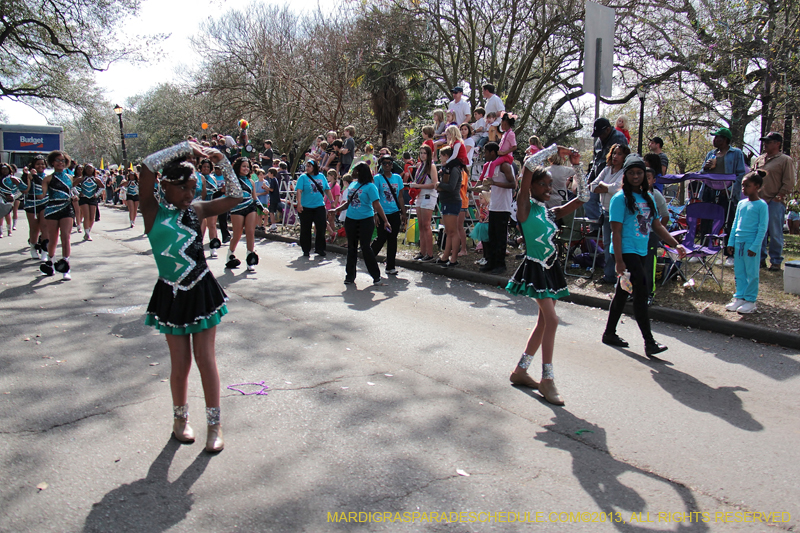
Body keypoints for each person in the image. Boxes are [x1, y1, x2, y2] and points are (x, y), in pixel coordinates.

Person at [139, 140, 243, 453]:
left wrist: (223, 160)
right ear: (164, 186)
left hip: (201, 290)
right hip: (171, 294)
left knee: (205, 359)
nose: (189, 194)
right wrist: (185, 146)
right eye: (183, 187)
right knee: (180, 363)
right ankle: (180, 420)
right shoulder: (151, 211)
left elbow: (236, 197)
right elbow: (146, 165)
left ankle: (215, 424)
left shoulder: (197, 210)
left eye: (193, 186)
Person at [506, 155, 587, 406]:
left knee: (543, 322)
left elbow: (583, 197)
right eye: (543, 185)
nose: (548, 189)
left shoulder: (551, 212)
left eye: (550, 185)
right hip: (535, 270)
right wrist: (556, 148)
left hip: (551, 270)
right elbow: (529, 163)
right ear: (531, 186)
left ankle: (520, 371)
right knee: (551, 320)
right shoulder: (524, 208)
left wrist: (578, 166)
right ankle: (547, 379)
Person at [601, 154, 687, 357]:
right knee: (641, 291)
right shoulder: (619, 199)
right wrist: (619, 261)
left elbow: (657, 226)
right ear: (626, 175)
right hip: (625, 251)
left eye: (639, 173)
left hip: (641, 250)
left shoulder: (648, 198)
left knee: (623, 292)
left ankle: (609, 333)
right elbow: (616, 231)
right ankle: (649, 342)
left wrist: (676, 245)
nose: (636, 176)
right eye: (631, 173)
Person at [330, 162, 392, 284]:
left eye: (354, 170)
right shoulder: (353, 184)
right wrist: (336, 210)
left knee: (365, 248)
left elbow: (376, 204)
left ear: (360, 172)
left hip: (366, 220)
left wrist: (385, 221)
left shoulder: (370, 187)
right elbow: (348, 203)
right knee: (351, 248)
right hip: (351, 220)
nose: (351, 172)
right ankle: (350, 276)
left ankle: (376, 277)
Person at [700, 127, 747, 266]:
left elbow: (740, 174)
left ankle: (729, 254)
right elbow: (702, 172)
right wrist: (707, 168)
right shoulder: (711, 154)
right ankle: (703, 250)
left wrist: (731, 189)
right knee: (706, 220)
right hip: (710, 190)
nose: (714, 140)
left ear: (725, 139)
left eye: (717, 137)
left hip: (727, 193)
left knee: (728, 222)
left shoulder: (736, 153)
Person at [750, 132, 796, 271]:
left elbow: (789, 181)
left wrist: (779, 196)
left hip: (774, 201)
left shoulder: (784, 160)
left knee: (775, 232)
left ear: (777, 143)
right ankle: (760, 259)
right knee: (759, 232)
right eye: (765, 142)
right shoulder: (759, 159)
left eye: (769, 142)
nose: (765, 144)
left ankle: (776, 261)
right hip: (759, 201)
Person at [725, 171, 769, 314]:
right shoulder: (741, 203)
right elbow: (735, 224)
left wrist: (755, 246)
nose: (743, 189)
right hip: (739, 242)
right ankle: (740, 296)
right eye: (743, 186)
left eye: (747, 186)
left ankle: (751, 300)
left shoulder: (762, 205)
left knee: (752, 272)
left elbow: (762, 228)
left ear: (757, 186)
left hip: (751, 243)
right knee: (739, 271)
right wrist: (731, 242)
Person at [590, 143, 630, 284]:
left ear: (625, 157)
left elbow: (617, 189)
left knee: (619, 243)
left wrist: (605, 186)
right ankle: (609, 275)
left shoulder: (625, 171)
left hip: (619, 213)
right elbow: (593, 186)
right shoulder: (607, 170)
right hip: (606, 211)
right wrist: (607, 188)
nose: (615, 156)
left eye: (619, 154)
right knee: (607, 243)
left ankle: (622, 275)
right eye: (614, 153)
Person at [38, 151, 81, 280]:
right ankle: (51, 263)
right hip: (52, 209)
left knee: (66, 237)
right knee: (53, 238)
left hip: (66, 208)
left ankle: (65, 266)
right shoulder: (48, 179)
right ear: (52, 162)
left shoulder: (69, 178)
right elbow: (41, 195)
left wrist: (75, 197)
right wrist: (31, 181)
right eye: (57, 160)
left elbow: (74, 192)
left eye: (62, 160)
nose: (60, 163)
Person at [479, 142, 516, 274]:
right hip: (494, 206)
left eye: (486, 152)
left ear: (493, 152)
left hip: (503, 207)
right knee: (492, 237)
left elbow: (513, 184)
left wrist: (494, 183)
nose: (485, 155)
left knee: (500, 237)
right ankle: (491, 262)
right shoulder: (491, 166)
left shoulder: (504, 165)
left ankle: (500, 265)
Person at [585, 117, 629, 222]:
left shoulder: (618, 138)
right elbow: (595, 161)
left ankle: (601, 223)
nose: (599, 137)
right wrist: (590, 178)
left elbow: (616, 188)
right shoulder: (599, 142)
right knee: (587, 197)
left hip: (613, 178)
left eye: (601, 133)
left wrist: (604, 187)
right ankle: (596, 225)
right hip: (602, 175)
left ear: (608, 129)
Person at [371, 155, 406, 275]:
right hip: (382, 212)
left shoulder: (397, 178)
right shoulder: (377, 178)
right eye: (384, 163)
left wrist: (403, 213)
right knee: (381, 238)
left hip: (394, 212)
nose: (387, 165)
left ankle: (390, 266)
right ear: (381, 165)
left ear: (392, 165)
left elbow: (400, 197)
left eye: (389, 163)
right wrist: (375, 213)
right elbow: (374, 197)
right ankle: (369, 257)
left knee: (393, 239)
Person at [226, 157, 259, 272]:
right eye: (243, 166)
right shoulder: (233, 180)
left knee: (250, 232)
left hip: (250, 208)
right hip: (237, 209)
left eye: (248, 167)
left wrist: (261, 207)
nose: (246, 168)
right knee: (237, 235)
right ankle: (230, 255)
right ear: (238, 167)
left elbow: (254, 197)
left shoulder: (251, 182)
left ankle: (250, 259)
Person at [296, 159, 333, 258]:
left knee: (321, 227)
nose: (307, 168)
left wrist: (332, 202)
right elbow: (299, 191)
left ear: (314, 167)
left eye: (309, 166)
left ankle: (320, 248)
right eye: (306, 166)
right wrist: (299, 204)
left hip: (319, 206)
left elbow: (327, 190)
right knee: (305, 229)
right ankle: (306, 249)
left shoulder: (321, 176)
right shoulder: (303, 177)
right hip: (306, 207)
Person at [408, 145, 438, 261]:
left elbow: (434, 184)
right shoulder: (420, 166)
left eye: (425, 153)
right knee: (420, 225)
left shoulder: (432, 166)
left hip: (428, 195)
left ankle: (430, 254)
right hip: (419, 196)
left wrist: (418, 186)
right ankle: (422, 251)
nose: (422, 155)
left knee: (426, 225)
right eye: (421, 153)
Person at [435, 144, 463, 266]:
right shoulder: (447, 169)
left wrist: (438, 185)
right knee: (448, 231)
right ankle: (445, 256)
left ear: (447, 156)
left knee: (453, 231)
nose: (440, 158)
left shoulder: (455, 169)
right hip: (446, 201)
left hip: (452, 201)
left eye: (441, 155)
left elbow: (451, 187)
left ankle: (453, 259)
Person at [18, 156, 48, 259]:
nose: (41, 166)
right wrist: (27, 176)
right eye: (38, 164)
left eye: (43, 164)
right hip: (32, 204)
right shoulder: (29, 176)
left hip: (45, 203)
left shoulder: (47, 176)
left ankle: (44, 250)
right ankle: (33, 248)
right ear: (33, 165)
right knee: (34, 228)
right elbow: (25, 190)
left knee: (45, 227)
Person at [478, 111, 517, 182]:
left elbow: (514, 147)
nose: (501, 125)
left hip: (507, 156)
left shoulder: (511, 134)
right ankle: (480, 181)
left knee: (493, 163)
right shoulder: (505, 133)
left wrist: (504, 153)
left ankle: (488, 179)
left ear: (505, 123)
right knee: (486, 164)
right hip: (501, 155)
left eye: (501, 123)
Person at [78, 164, 103, 241]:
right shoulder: (81, 179)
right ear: (85, 170)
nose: (89, 170)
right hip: (83, 199)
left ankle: (88, 230)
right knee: (86, 216)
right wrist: (78, 193)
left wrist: (97, 194)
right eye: (87, 168)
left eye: (91, 168)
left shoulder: (96, 179)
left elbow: (102, 187)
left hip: (92, 198)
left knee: (92, 217)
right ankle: (87, 233)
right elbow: (72, 186)